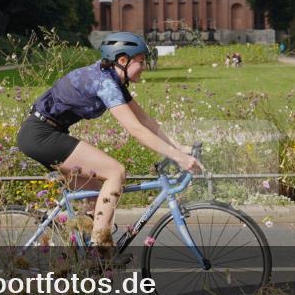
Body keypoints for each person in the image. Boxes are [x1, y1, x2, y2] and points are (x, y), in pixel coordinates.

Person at [17, 32, 202, 258]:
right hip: (41, 134)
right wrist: (179, 158)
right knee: (115, 171)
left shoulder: (113, 78)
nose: (144, 66)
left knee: (95, 194)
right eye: (141, 61)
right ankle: (100, 251)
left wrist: (177, 147)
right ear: (122, 60)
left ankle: (87, 259)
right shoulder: (104, 82)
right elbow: (135, 130)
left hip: (45, 133)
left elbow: (144, 120)